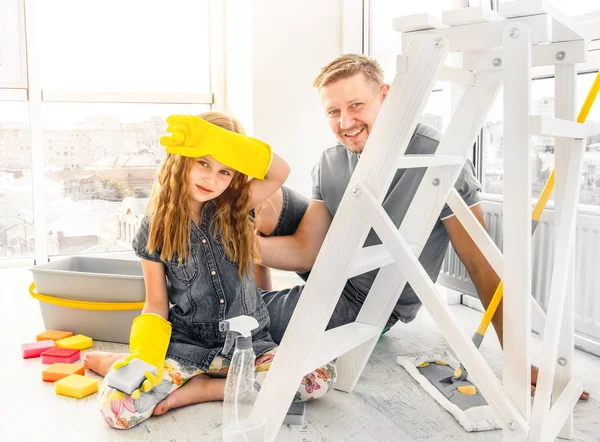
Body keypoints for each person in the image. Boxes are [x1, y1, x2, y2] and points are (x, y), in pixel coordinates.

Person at [252, 54, 589, 400]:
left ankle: (249, 305)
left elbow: (481, 264)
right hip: (331, 265)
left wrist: (517, 361)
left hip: (367, 300)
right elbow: (308, 249)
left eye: (356, 105)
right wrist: (240, 242)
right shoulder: (330, 161)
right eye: (333, 112)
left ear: (385, 96)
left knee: (234, 320)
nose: (346, 121)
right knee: (250, 199)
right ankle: (252, 292)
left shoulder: (435, 156)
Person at [84, 112, 337, 430]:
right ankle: (137, 365)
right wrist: (145, 357)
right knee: (118, 410)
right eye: (203, 163)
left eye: (224, 171)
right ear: (183, 159)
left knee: (320, 376)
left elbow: (280, 171)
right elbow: (156, 305)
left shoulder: (236, 207)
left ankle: (203, 389)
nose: (211, 179)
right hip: (188, 345)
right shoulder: (153, 228)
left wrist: (218, 140)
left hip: (249, 345)